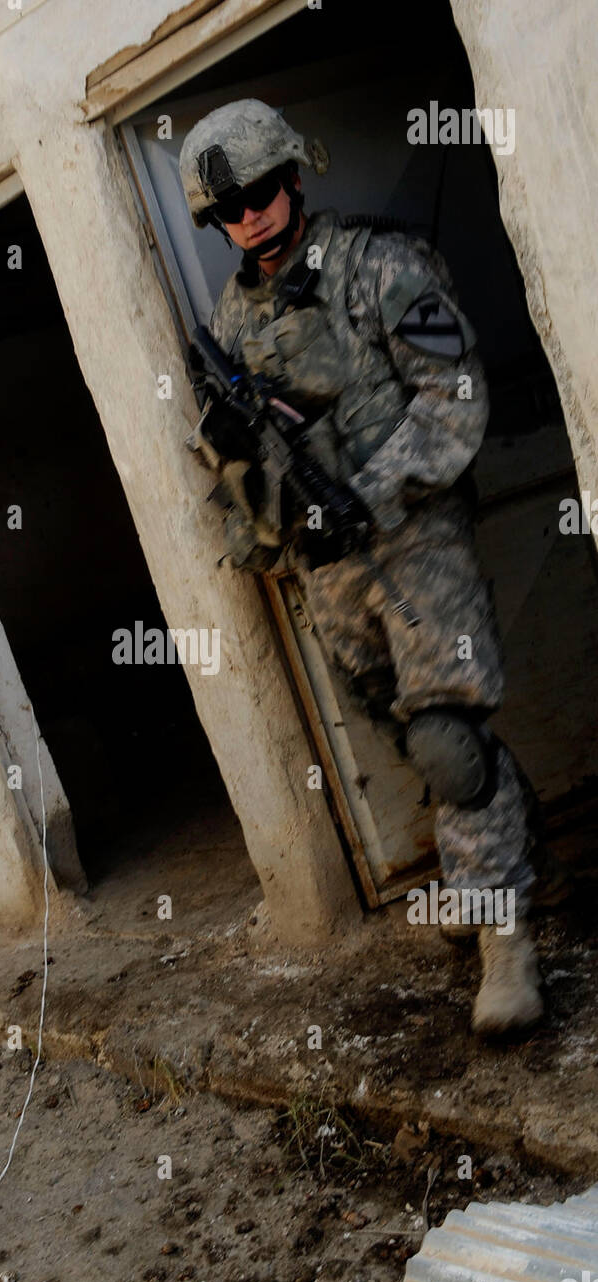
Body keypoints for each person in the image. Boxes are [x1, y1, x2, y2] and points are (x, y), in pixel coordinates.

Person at [180, 97, 555, 1037]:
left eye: (263, 191)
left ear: (293, 179)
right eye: (230, 209)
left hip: (414, 540)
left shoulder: (380, 263)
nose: (251, 215)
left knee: (447, 744)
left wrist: (373, 493)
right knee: (406, 743)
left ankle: (503, 935)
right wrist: (252, 496)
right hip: (325, 569)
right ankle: (502, 851)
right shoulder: (228, 322)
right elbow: (244, 470)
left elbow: (453, 391)